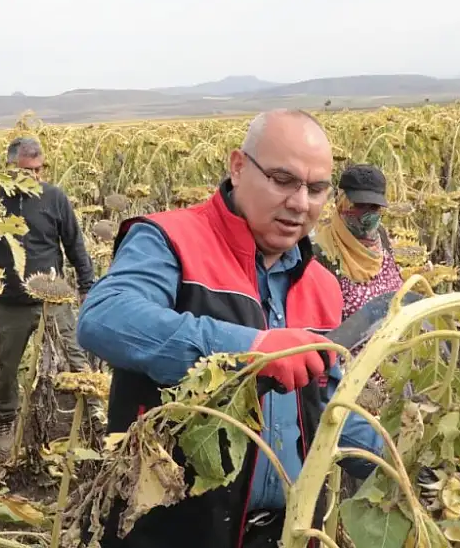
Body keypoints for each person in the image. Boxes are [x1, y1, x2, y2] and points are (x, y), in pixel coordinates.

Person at [76, 109, 384, 548]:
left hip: (287, 533)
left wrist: (402, 464)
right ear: (238, 167)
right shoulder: (170, 239)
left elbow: (325, 405)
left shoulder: (323, 285)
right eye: (283, 179)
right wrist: (255, 348)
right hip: (174, 531)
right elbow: (106, 317)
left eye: (316, 189)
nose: (300, 203)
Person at [0, 136, 102, 452]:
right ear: (8, 169)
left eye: (38, 170)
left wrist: (87, 285)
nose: (34, 177)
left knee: (76, 356)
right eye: (26, 171)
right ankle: (5, 417)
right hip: (9, 302)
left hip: (52, 299)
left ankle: (94, 413)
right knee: (6, 366)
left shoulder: (54, 198)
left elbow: (74, 244)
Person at [311, 163, 404, 322]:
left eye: (374, 207)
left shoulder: (380, 235)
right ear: (341, 203)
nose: (367, 215)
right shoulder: (321, 254)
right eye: (359, 205)